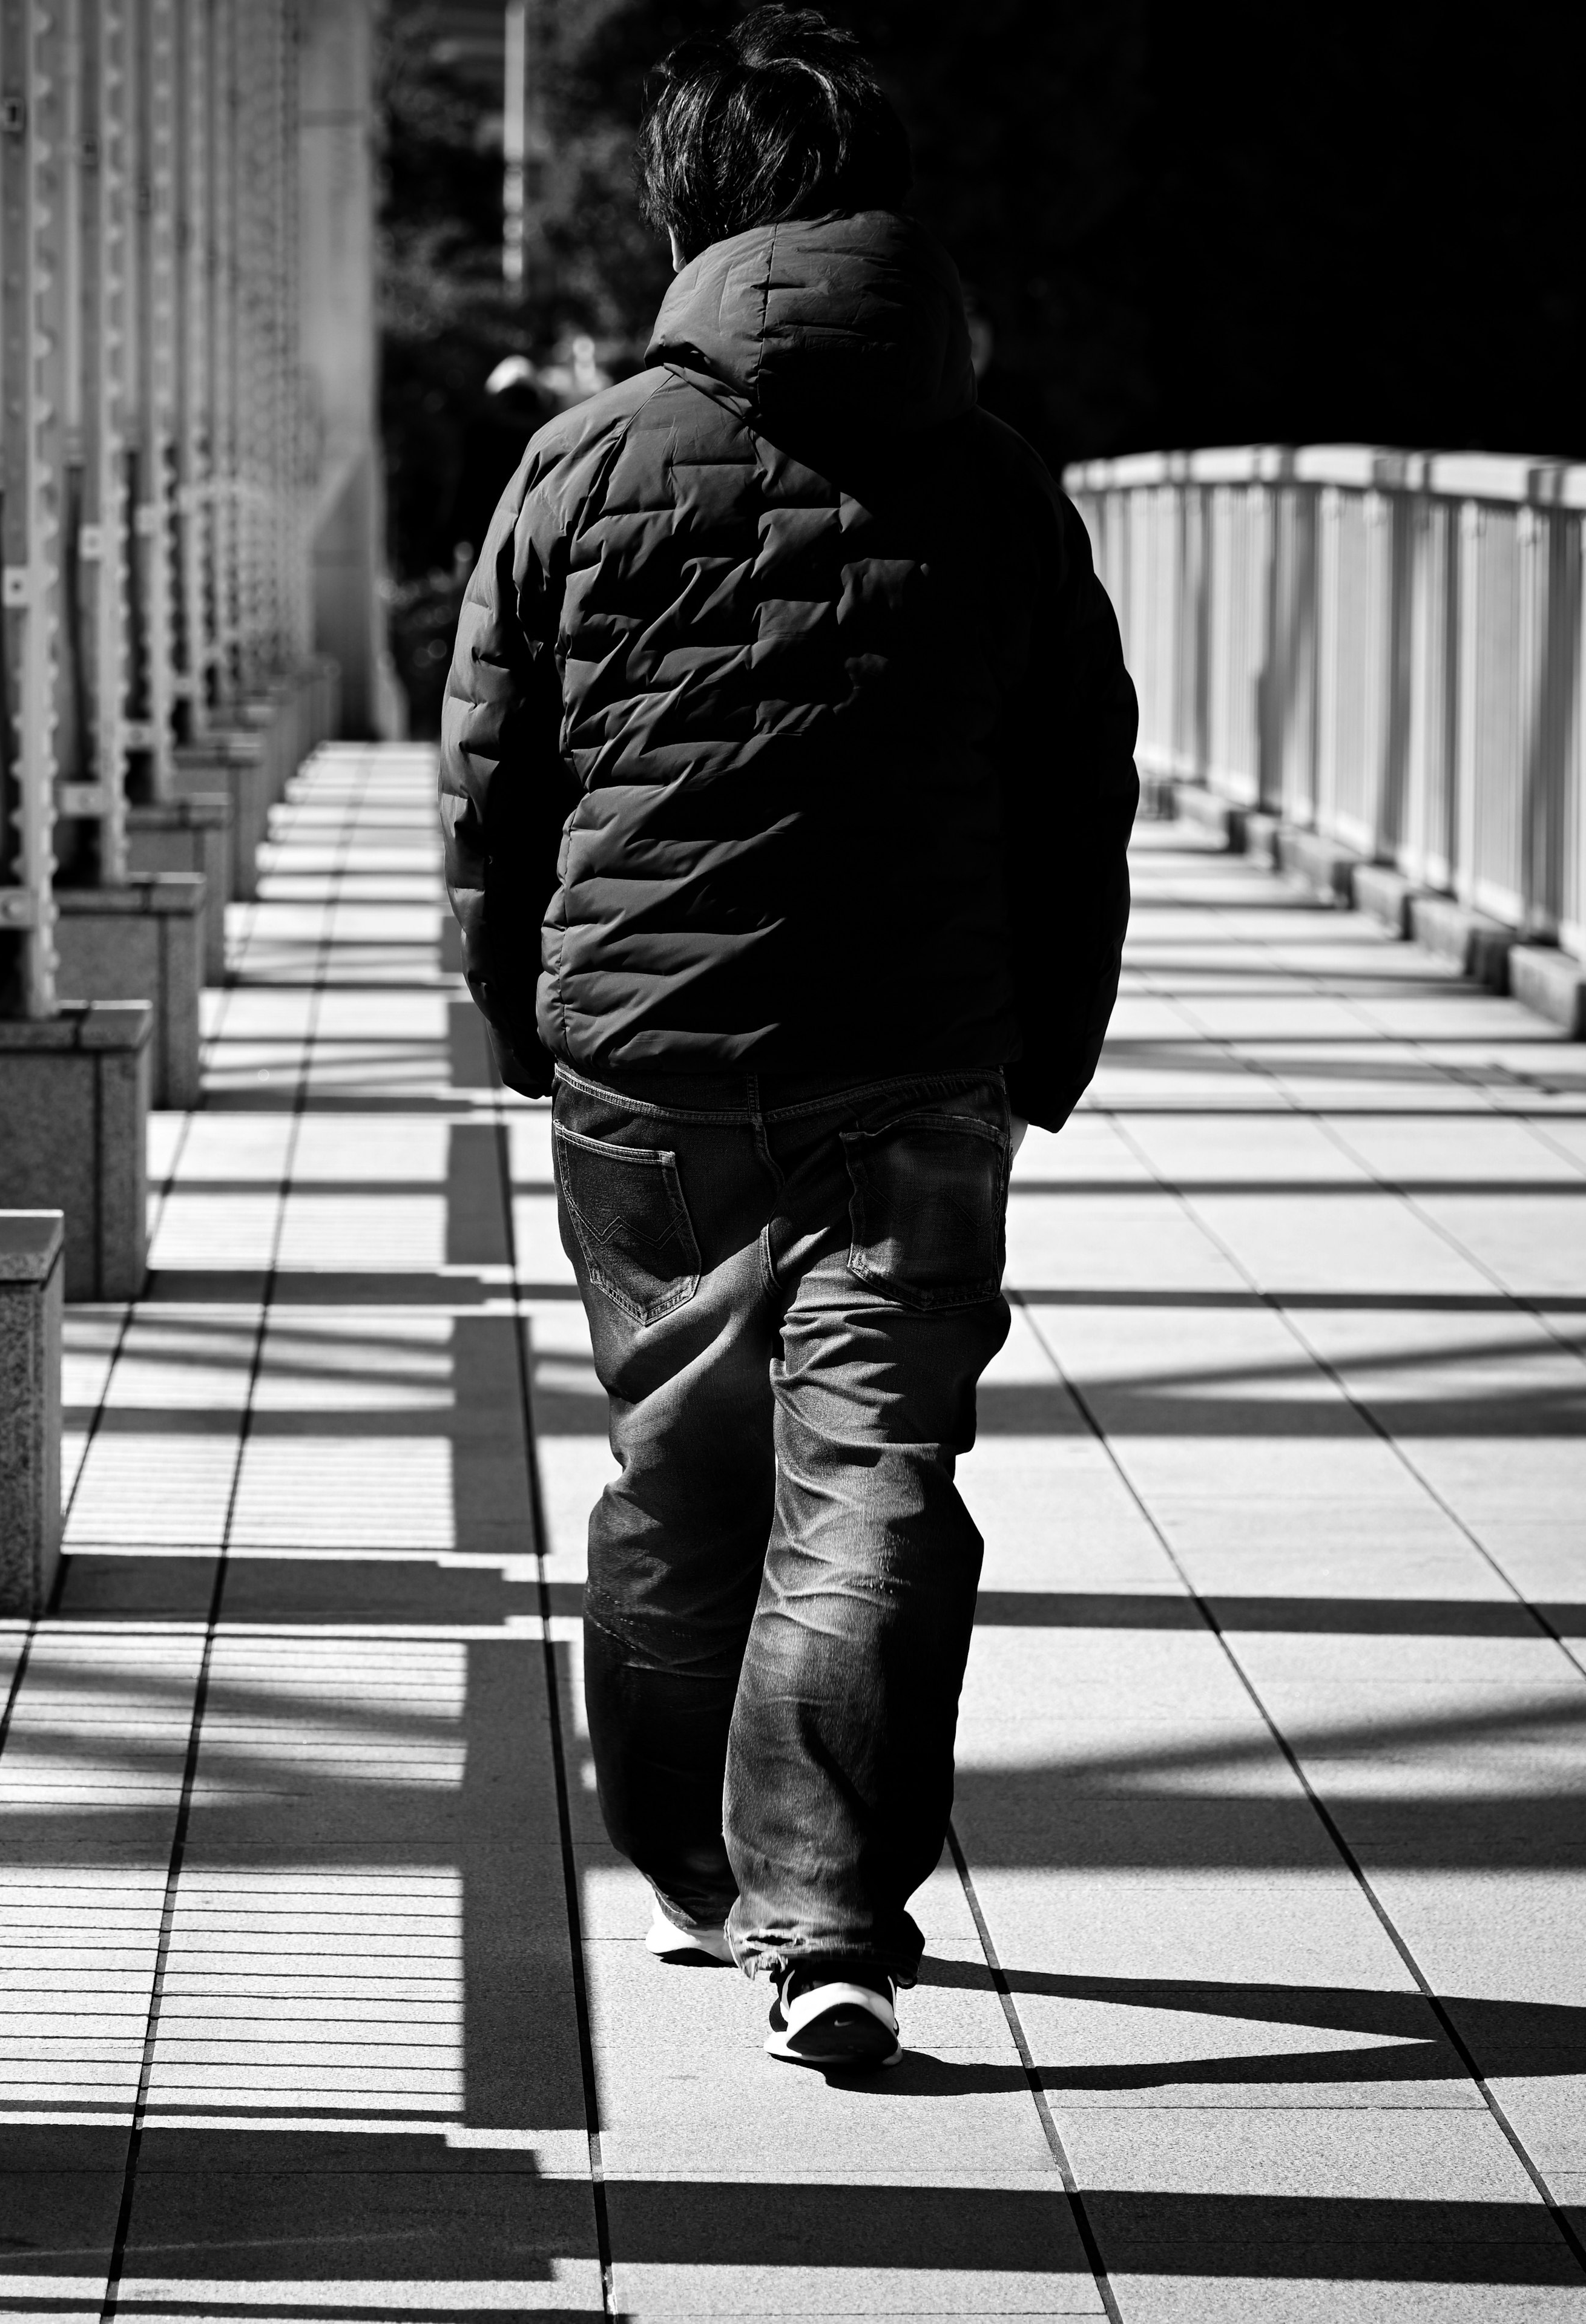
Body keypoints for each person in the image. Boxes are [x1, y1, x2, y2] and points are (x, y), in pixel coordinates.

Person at [440, 7, 1137, 2072]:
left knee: (684, 1470)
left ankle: (690, 1867)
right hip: (919, 1062)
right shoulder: (1001, 482)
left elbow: (500, 779)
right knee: (877, 1477)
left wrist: (518, 1015)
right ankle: (826, 1918)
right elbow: (1075, 783)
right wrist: (1050, 1044)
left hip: (649, 1066)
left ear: (695, 214)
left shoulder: (584, 459)